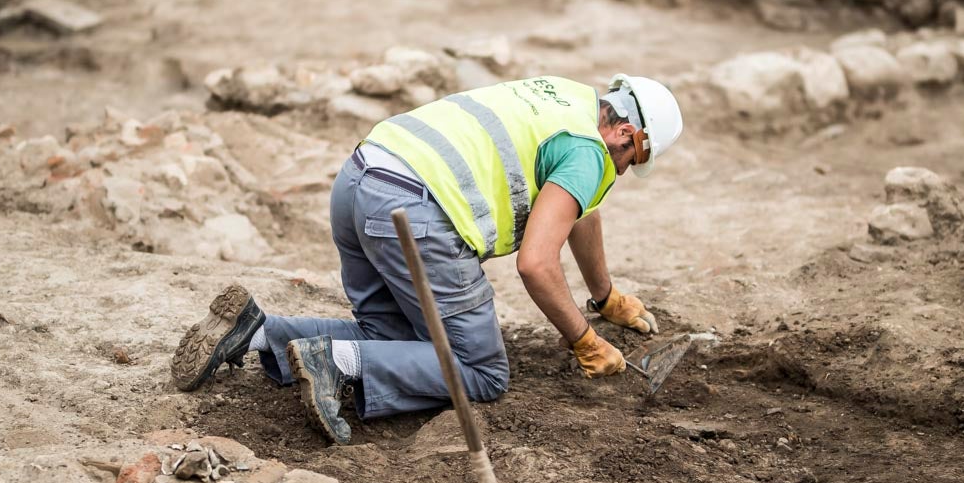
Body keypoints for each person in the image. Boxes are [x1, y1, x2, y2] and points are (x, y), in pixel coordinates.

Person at [169, 73, 684, 445]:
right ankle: (334, 363)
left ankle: (255, 331)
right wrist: (585, 339)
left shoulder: (564, 96)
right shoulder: (591, 151)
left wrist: (605, 296)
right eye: (631, 160)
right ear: (626, 134)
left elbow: (580, 211)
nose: (618, 173)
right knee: (481, 371)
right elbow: (536, 264)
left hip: (359, 179)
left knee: (395, 339)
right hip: (414, 209)